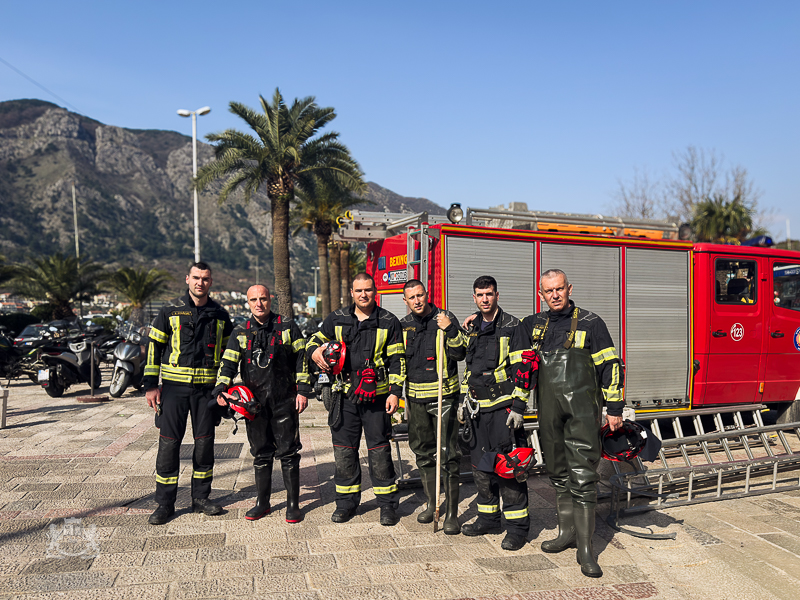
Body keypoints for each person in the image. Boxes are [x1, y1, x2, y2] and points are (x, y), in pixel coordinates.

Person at [512, 268, 624, 578]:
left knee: (583, 476)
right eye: (549, 291)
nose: (555, 295)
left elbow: (610, 365)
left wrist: (614, 405)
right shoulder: (532, 325)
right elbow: (523, 369)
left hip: (583, 412)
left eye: (560, 289)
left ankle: (586, 549)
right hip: (549, 411)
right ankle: (566, 533)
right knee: (558, 472)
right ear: (541, 294)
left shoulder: (591, 322)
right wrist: (519, 404)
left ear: (569, 288)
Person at [307, 273, 406, 526]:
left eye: (368, 290)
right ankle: (346, 504)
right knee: (344, 453)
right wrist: (315, 351)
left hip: (377, 398)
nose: (364, 294)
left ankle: (387, 506)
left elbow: (397, 360)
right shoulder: (337, 318)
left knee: (380, 451)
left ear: (376, 292)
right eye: (359, 290)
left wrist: (395, 392)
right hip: (344, 397)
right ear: (351, 292)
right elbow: (314, 340)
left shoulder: (388, 321)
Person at [143, 262, 233, 525]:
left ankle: (201, 498)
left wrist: (226, 388)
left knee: (204, 445)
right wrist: (150, 385)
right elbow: (154, 347)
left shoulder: (220, 314)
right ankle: (164, 504)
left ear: (211, 282)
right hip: (173, 390)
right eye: (196, 278)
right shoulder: (169, 310)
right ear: (187, 279)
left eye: (205, 279)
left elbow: (228, 355)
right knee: (169, 445)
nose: (200, 283)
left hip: (207, 392)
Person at [212, 285, 312, 523]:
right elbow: (227, 364)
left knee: (288, 453)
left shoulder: (288, 327)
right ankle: (262, 503)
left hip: (284, 401)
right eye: (254, 300)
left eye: (263, 299)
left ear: (271, 300)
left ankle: (293, 505)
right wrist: (221, 388)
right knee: (260, 454)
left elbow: (302, 359)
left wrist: (304, 390)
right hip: (254, 405)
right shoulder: (240, 332)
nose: (259, 303)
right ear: (248, 303)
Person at [459, 275, 530, 551]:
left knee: (509, 469)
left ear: (497, 295)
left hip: (503, 411)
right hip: (477, 410)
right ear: (474, 298)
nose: (485, 299)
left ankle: (517, 529)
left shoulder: (514, 326)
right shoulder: (472, 326)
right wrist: (464, 402)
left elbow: (523, 370)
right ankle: (488, 518)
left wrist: (519, 407)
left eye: (489, 294)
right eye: (480, 295)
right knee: (481, 468)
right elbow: (469, 367)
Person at [399, 279, 467, 535]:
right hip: (415, 399)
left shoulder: (444, 318)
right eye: (411, 297)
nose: (417, 300)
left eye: (420, 295)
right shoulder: (403, 326)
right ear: (405, 301)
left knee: (448, 454)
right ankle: (432, 503)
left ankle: (450, 513)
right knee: (423, 453)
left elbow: (461, 353)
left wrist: (450, 330)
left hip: (444, 398)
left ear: (427, 294)